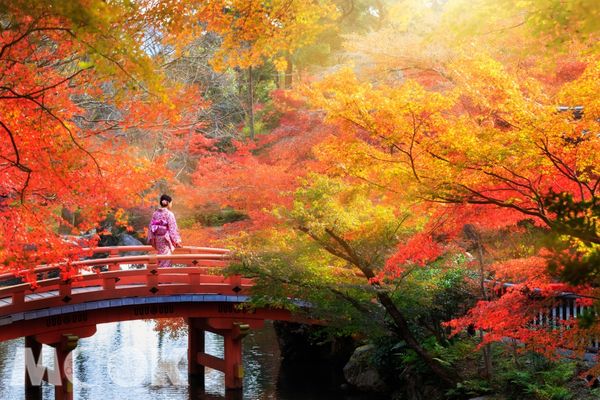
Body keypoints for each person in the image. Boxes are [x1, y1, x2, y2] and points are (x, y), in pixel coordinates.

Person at [148, 194, 182, 267]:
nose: (171, 204)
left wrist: (152, 239)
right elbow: (173, 228)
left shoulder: (155, 214)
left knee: (160, 257)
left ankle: (160, 274)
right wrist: (177, 241)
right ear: (168, 203)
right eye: (171, 203)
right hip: (165, 239)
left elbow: (151, 227)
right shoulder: (169, 214)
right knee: (166, 258)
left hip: (157, 239)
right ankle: (164, 274)